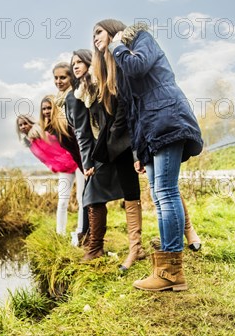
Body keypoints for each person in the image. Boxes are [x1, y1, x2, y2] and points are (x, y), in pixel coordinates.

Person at [94, 19, 203, 291]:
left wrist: (118, 46)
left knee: (166, 192)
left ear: (114, 30)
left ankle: (171, 270)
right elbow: (131, 110)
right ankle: (166, 268)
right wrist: (137, 151)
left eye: (98, 32)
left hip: (166, 119)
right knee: (158, 194)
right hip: (150, 131)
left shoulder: (141, 39)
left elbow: (138, 65)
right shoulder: (118, 65)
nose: (94, 38)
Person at [90, 46, 147, 271]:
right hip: (120, 144)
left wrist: (116, 133)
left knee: (164, 186)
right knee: (130, 193)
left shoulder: (125, 65)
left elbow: (128, 108)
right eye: (94, 34)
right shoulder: (103, 80)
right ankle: (136, 248)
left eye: (100, 33)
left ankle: (188, 232)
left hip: (140, 134)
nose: (96, 38)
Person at [64, 52, 123, 261]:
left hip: (113, 147)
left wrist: (89, 160)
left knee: (97, 195)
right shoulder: (76, 94)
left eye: (80, 62)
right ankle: (93, 245)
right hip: (99, 151)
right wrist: (87, 161)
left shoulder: (99, 86)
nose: (76, 66)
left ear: (90, 62)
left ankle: (95, 246)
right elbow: (81, 132)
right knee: (92, 196)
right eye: (73, 64)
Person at [16, 108, 77, 236]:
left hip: (76, 162)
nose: (23, 126)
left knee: (82, 198)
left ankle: (83, 230)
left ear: (31, 122)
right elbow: (45, 158)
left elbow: (61, 142)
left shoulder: (42, 132)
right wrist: (54, 167)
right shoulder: (29, 142)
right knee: (62, 201)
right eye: (20, 125)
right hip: (64, 169)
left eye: (25, 123)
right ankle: (60, 234)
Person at [51, 63, 86, 246]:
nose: (58, 81)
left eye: (62, 77)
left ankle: (82, 233)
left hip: (81, 157)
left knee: (82, 197)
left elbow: (79, 132)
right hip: (71, 159)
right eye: (55, 78)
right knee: (64, 199)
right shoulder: (59, 101)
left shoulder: (74, 97)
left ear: (71, 77)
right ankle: (64, 234)